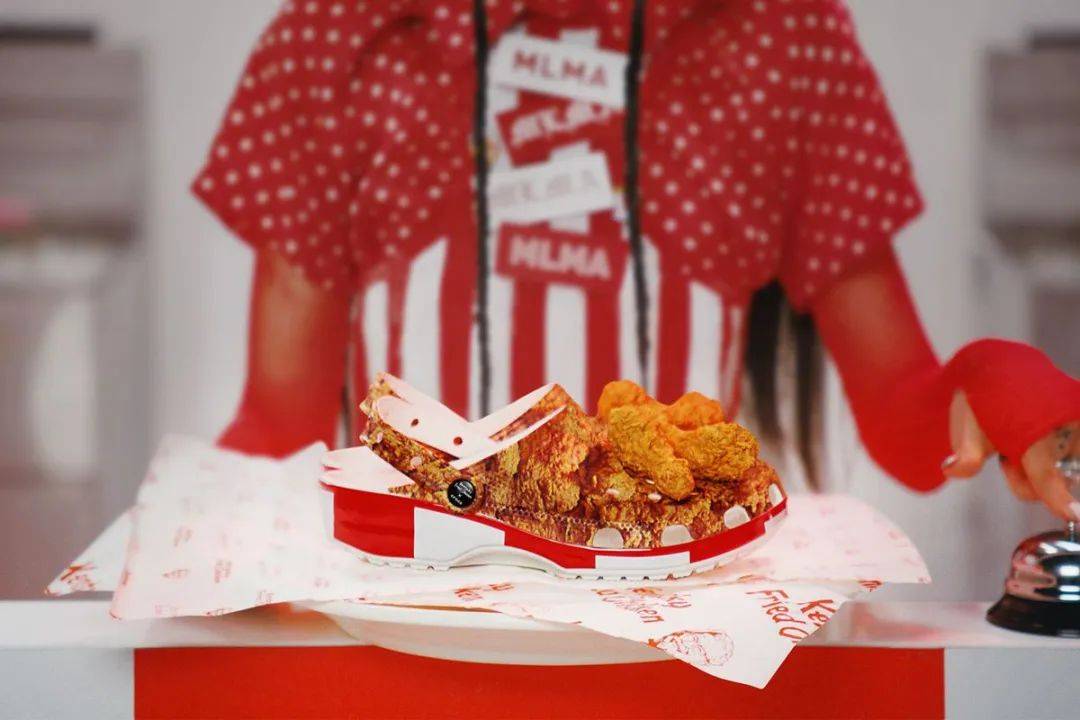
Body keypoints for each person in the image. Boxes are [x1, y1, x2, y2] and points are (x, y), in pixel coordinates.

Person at [193, 0, 1079, 518]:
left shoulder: (780, 38)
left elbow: (914, 432)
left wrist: (999, 381)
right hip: (397, 642)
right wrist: (182, 540)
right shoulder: (344, 35)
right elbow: (279, 433)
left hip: (682, 655)